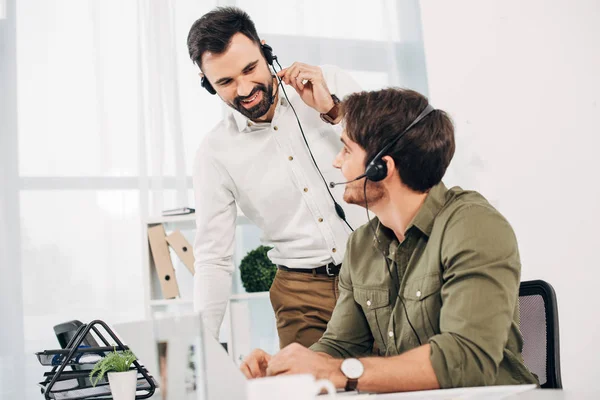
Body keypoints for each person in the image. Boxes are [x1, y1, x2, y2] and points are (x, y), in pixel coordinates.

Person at [240, 88, 539, 392]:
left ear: (381, 168)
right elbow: (341, 345)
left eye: (346, 150)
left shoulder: (473, 226)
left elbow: (466, 358)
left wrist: (338, 372)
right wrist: (285, 370)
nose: (336, 162)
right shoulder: (360, 246)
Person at [187, 6, 365, 348]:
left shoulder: (332, 83)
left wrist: (332, 110)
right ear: (208, 86)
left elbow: (391, 158)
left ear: (265, 50)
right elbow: (213, 256)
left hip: (377, 270)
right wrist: (204, 346)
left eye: (250, 68)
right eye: (225, 82)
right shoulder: (214, 153)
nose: (244, 89)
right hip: (302, 297)